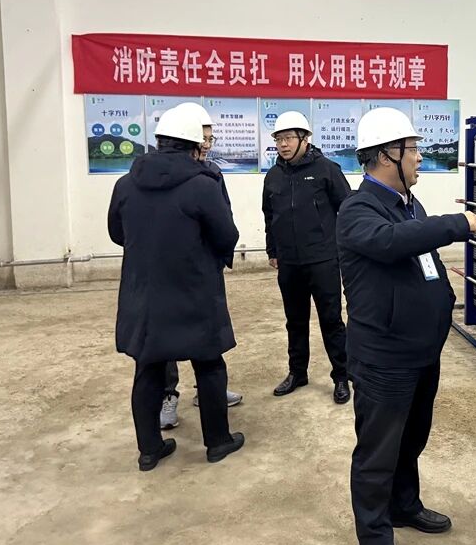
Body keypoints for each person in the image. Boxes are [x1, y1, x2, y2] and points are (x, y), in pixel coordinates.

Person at [337, 107, 476, 545]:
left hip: (420, 350)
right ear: (387, 155)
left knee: (412, 437)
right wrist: (458, 222)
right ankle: (374, 536)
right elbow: (392, 243)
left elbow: (421, 257)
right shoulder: (358, 209)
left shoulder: (408, 204)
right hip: (384, 355)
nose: (420, 157)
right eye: (413, 150)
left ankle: (404, 505)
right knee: (378, 449)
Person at [108, 106, 245, 471]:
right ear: (194, 146)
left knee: (149, 368)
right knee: (209, 365)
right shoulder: (203, 185)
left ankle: (149, 450)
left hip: (145, 294)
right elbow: (226, 235)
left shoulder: (125, 184)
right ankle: (217, 442)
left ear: (159, 142)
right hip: (194, 290)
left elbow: (117, 233)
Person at [159, 102, 242, 430]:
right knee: (165, 340)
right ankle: (168, 395)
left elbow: (224, 219)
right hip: (167, 271)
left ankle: (209, 393)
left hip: (203, 270)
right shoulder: (159, 176)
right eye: (202, 138)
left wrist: (219, 256)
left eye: (210, 138)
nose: (206, 144)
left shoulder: (212, 173)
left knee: (206, 336)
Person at [261, 111, 353, 404]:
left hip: (323, 259)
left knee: (331, 320)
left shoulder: (327, 170)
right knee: (295, 321)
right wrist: (273, 251)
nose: (283, 144)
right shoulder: (273, 176)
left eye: (288, 138)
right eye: (279, 139)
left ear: (304, 139)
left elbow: (347, 211)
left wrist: (343, 249)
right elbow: (269, 216)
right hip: (289, 263)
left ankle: (342, 376)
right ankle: (297, 372)